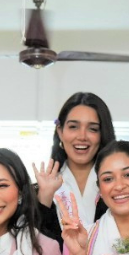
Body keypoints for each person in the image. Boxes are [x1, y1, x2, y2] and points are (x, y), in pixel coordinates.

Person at [33, 91, 117, 240]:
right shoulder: (40, 190)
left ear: (102, 134)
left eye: (93, 129)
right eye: (73, 127)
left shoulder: (116, 185)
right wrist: (44, 198)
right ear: (60, 132)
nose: (82, 136)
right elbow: (34, 245)